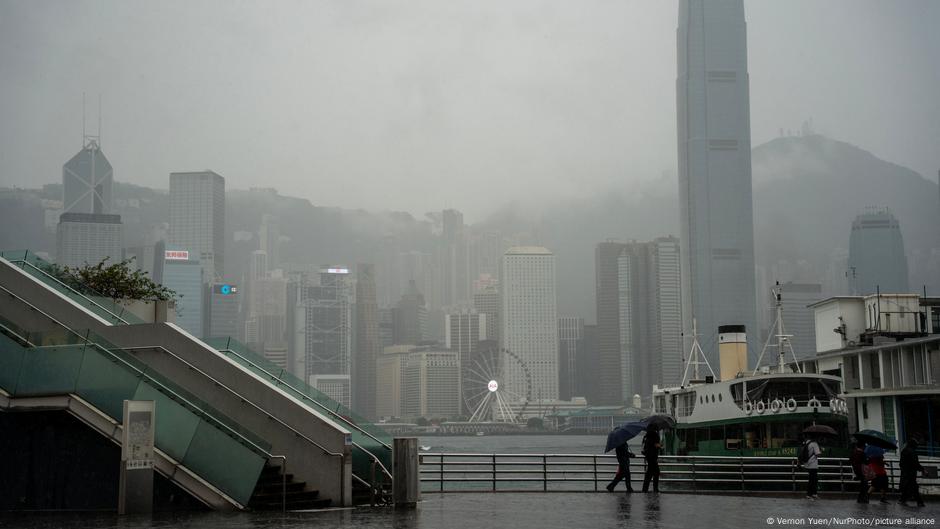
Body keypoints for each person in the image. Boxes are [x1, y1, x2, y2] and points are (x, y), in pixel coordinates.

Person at [899, 437, 926, 507]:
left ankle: (903, 499)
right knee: (913, 487)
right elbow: (915, 463)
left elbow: (901, 463)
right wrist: (922, 469)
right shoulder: (912, 452)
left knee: (908, 486)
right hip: (911, 473)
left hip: (905, 472)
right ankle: (919, 501)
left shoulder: (904, 451)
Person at [641, 426, 662, 493]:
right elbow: (656, 445)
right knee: (656, 472)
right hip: (653, 457)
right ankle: (655, 489)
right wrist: (659, 446)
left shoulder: (646, 436)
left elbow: (646, 446)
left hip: (648, 456)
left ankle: (645, 489)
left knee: (649, 473)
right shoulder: (654, 435)